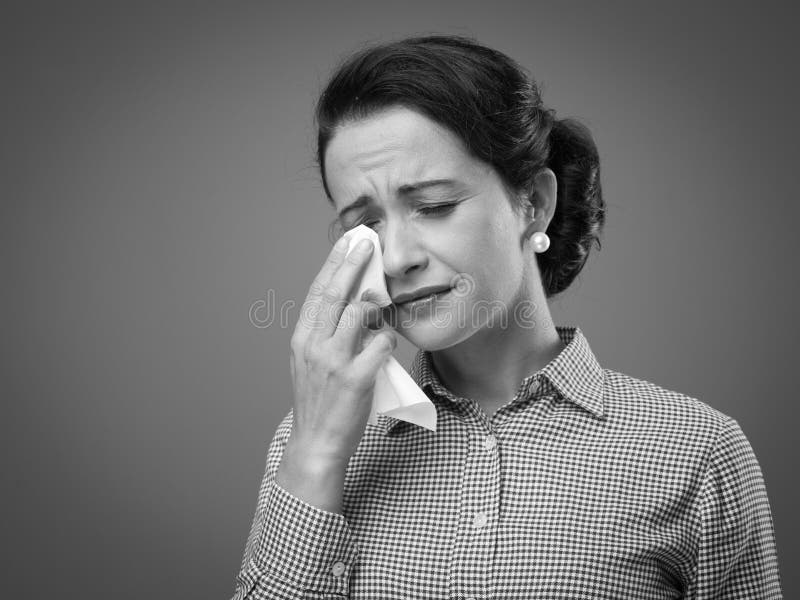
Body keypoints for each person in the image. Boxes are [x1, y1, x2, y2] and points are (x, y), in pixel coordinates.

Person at [230, 35, 782, 599]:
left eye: (436, 206)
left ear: (533, 203)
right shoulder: (307, 442)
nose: (397, 258)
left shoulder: (694, 450)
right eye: (365, 224)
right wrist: (316, 453)